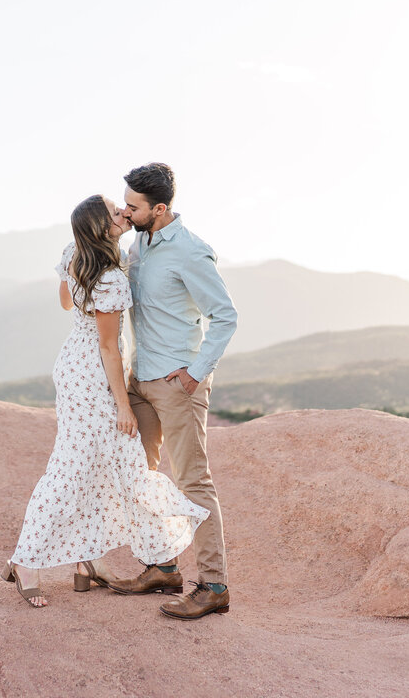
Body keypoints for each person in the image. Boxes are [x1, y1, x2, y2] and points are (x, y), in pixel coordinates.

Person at [2, 194, 208, 608]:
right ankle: (25, 562)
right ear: (103, 228)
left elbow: (66, 302)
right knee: (72, 468)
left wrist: (83, 295)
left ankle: (87, 562)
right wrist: (123, 406)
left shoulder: (75, 254)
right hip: (95, 375)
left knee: (95, 465)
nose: (123, 214)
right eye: (116, 212)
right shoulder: (110, 278)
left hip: (72, 364)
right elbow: (109, 347)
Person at [109, 163, 238, 620]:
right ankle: (163, 567)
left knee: (193, 482)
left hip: (176, 385)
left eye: (133, 206)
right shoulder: (138, 244)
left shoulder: (190, 251)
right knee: (139, 476)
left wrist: (196, 372)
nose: (125, 212)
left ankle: (214, 586)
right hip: (140, 380)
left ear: (160, 209)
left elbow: (225, 316)